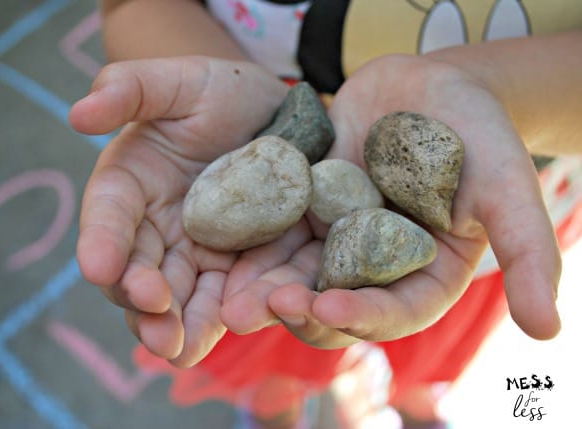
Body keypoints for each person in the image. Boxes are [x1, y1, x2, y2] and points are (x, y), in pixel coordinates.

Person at [69, 1, 582, 427]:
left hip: (486, 215)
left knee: (422, 339)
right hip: (265, 243)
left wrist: (496, 88)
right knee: (272, 337)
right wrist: (203, 80)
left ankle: (413, 397)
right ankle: (280, 407)